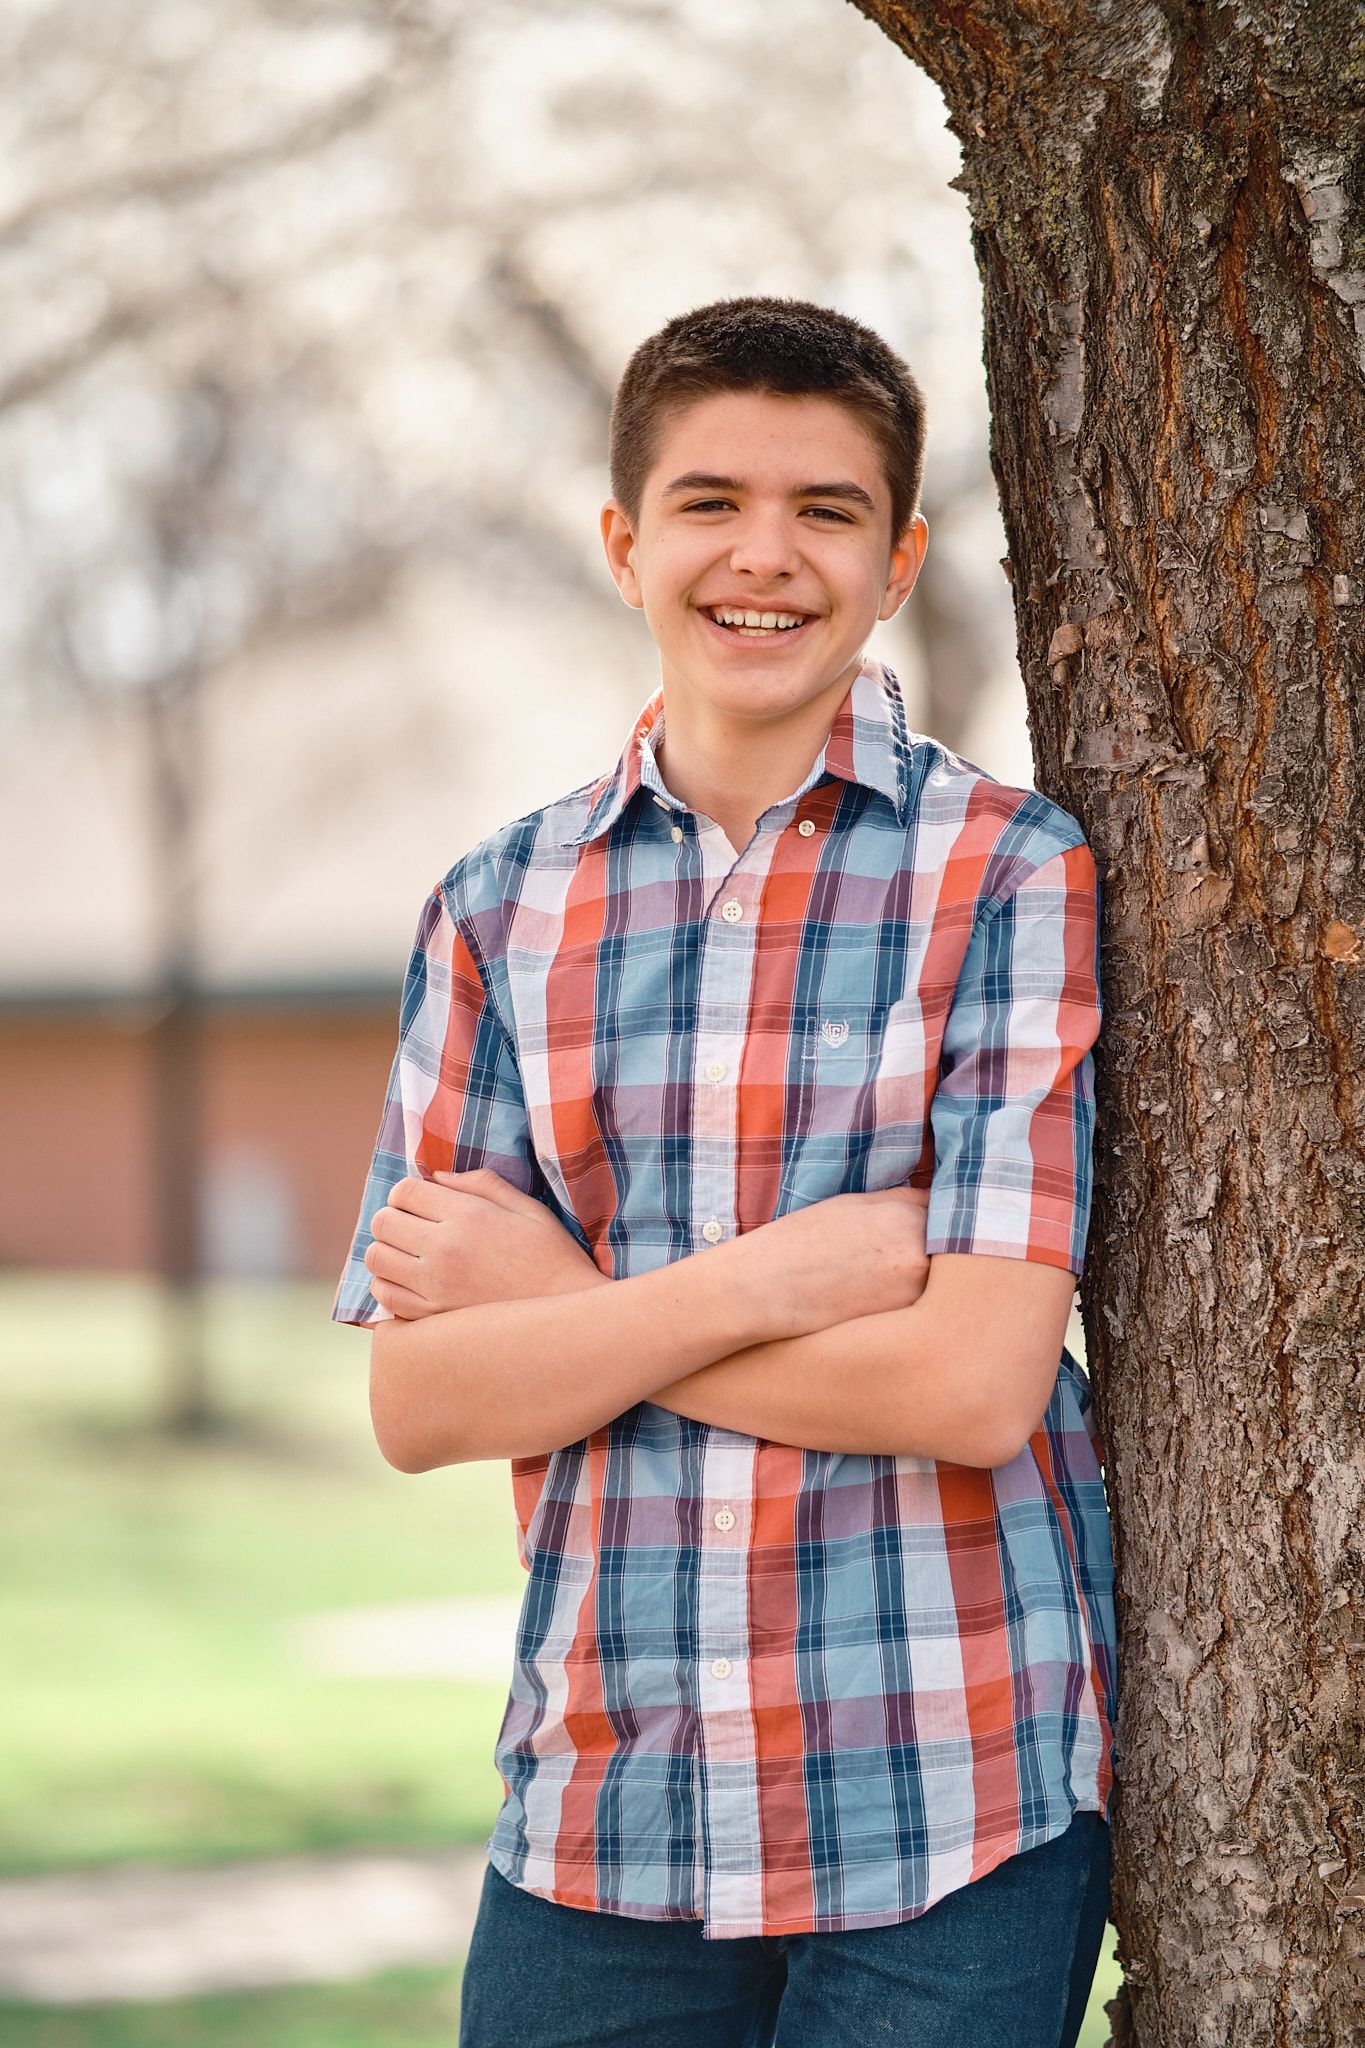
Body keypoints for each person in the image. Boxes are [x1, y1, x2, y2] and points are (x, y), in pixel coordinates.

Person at [332, 295, 1117, 2048]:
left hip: (947, 1793)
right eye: (708, 502)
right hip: (604, 1806)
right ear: (624, 543)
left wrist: (571, 1313)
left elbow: (973, 1383)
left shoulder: (1007, 880)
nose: (763, 557)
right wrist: (757, 1285)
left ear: (897, 556)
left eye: (825, 510)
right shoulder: (495, 908)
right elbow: (424, 1398)